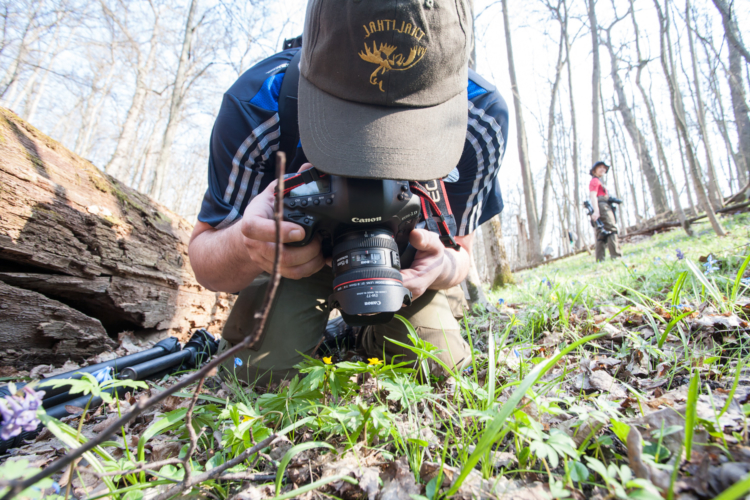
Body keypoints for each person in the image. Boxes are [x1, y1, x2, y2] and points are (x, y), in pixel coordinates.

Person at [188, 0, 509, 385]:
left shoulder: (479, 119)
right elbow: (205, 258)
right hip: (297, 264)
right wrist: (249, 243)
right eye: (347, 126)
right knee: (260, 376)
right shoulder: (262, 102)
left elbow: (461, 251)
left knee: (438, 366)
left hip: (401, 265)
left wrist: (440, 267)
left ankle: (364, 331)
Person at [589, 161, 622, 262]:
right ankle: (616, 256)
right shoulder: (595, 181)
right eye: (600, 168)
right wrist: (596, 211)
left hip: (603, 205)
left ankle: (600, 260)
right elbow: (593, 196)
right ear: (594, 170)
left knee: (601, 234)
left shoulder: (599, 181)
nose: (603, 169)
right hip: (602, 207)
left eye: (604, 168)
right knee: (612, 229)